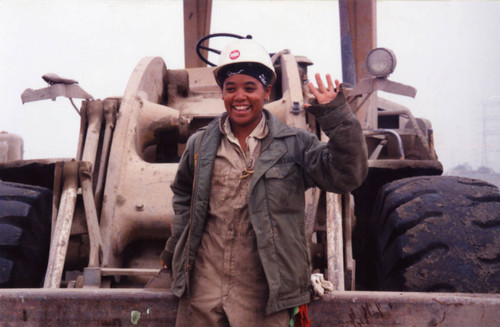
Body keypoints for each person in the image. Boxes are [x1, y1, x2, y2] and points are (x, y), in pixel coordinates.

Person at [160, 38, 368, 326]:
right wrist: (174, 249)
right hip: (203, 289)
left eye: (249, 88)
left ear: (267, 91)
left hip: (266, 292)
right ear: (222, 93)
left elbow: (348, 175)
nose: (239, 96)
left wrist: (337, 116)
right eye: (230, 88)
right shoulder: (200, 145)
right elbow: (184, 195)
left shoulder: (296, 145)